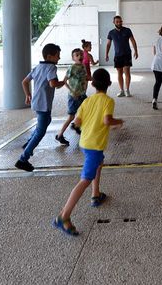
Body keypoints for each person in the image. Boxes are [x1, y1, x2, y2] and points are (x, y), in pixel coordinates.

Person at [52, 68, 124, 236]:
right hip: (94, 146)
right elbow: (107, 120)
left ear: (92, 84)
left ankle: (96, 194)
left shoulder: (86, 101)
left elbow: (76, 122)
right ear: (109, 84)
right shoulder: (108, 100)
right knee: (85, 179)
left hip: (85, 143)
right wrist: (118, 122)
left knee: (99, 163)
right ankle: (64, 216)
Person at [16, 43, 66, 172]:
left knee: (45, 122)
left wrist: (28, 95)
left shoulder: (38, 67)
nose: (59, 58)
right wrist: (64, 82)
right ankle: (23, 159)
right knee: (41, 131)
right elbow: (53, 83)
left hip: (38, 103)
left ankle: (28, 143)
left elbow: (24, 81)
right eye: (57, 56)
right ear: (49, 56)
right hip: (43, 104)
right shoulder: (51, 68)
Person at [54, 48, 88, 146]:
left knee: (86, 111)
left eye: (81, 54)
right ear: (73, 58)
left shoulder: (83, 67)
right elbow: (65, 81)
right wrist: (73, 91)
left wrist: (85, 88)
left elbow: (85, 79)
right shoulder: (72, 68)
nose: (80, 56)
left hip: (82, 94)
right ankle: (60, 135)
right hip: (73, 96)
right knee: (71, 116)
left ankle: (77, 125)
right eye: (77, 55)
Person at [105, 15, 138, 97]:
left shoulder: (127, 30)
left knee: (127, 72)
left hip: (127, 54)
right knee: (119, 73)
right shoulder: (111, 32)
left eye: (120, 21)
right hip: (118, 56)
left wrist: (136, 51)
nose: (119, 23)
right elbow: (108, 44)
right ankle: (121, 90)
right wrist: (106, 54)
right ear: (114, 22)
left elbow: (133, 41)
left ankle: (127, 90)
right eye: (117, 22)